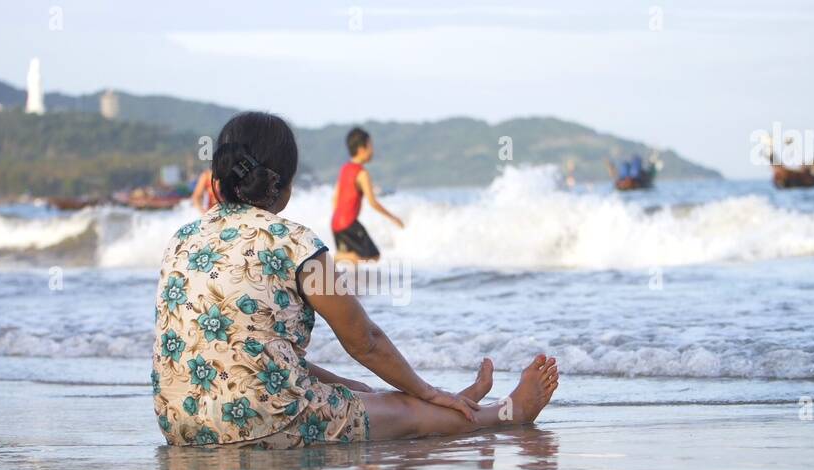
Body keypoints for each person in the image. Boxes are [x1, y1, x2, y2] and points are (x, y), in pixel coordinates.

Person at [152, 112, 558, 449]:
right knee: (406, 413)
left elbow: (243, 350)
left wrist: (362, 386)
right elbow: (365, 340)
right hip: (260, 422)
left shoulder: (181, 239)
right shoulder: (295, 242)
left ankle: (449, 405)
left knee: (360, 390)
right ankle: (507, 414)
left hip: (181, 424)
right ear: (285, 185)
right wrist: (425, 392)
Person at [330, 127, 404, 264]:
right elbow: (373, 202)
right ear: (361, 149)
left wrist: (337, 219)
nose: (373, 151)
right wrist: (394, 218)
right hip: (348, 223)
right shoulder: (362, 173)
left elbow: (335, 198)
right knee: (373, 256)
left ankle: (351, 283)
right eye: (370, 146)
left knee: (352, 262)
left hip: (336, 223)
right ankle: (334, 257)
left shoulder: (345, 168)